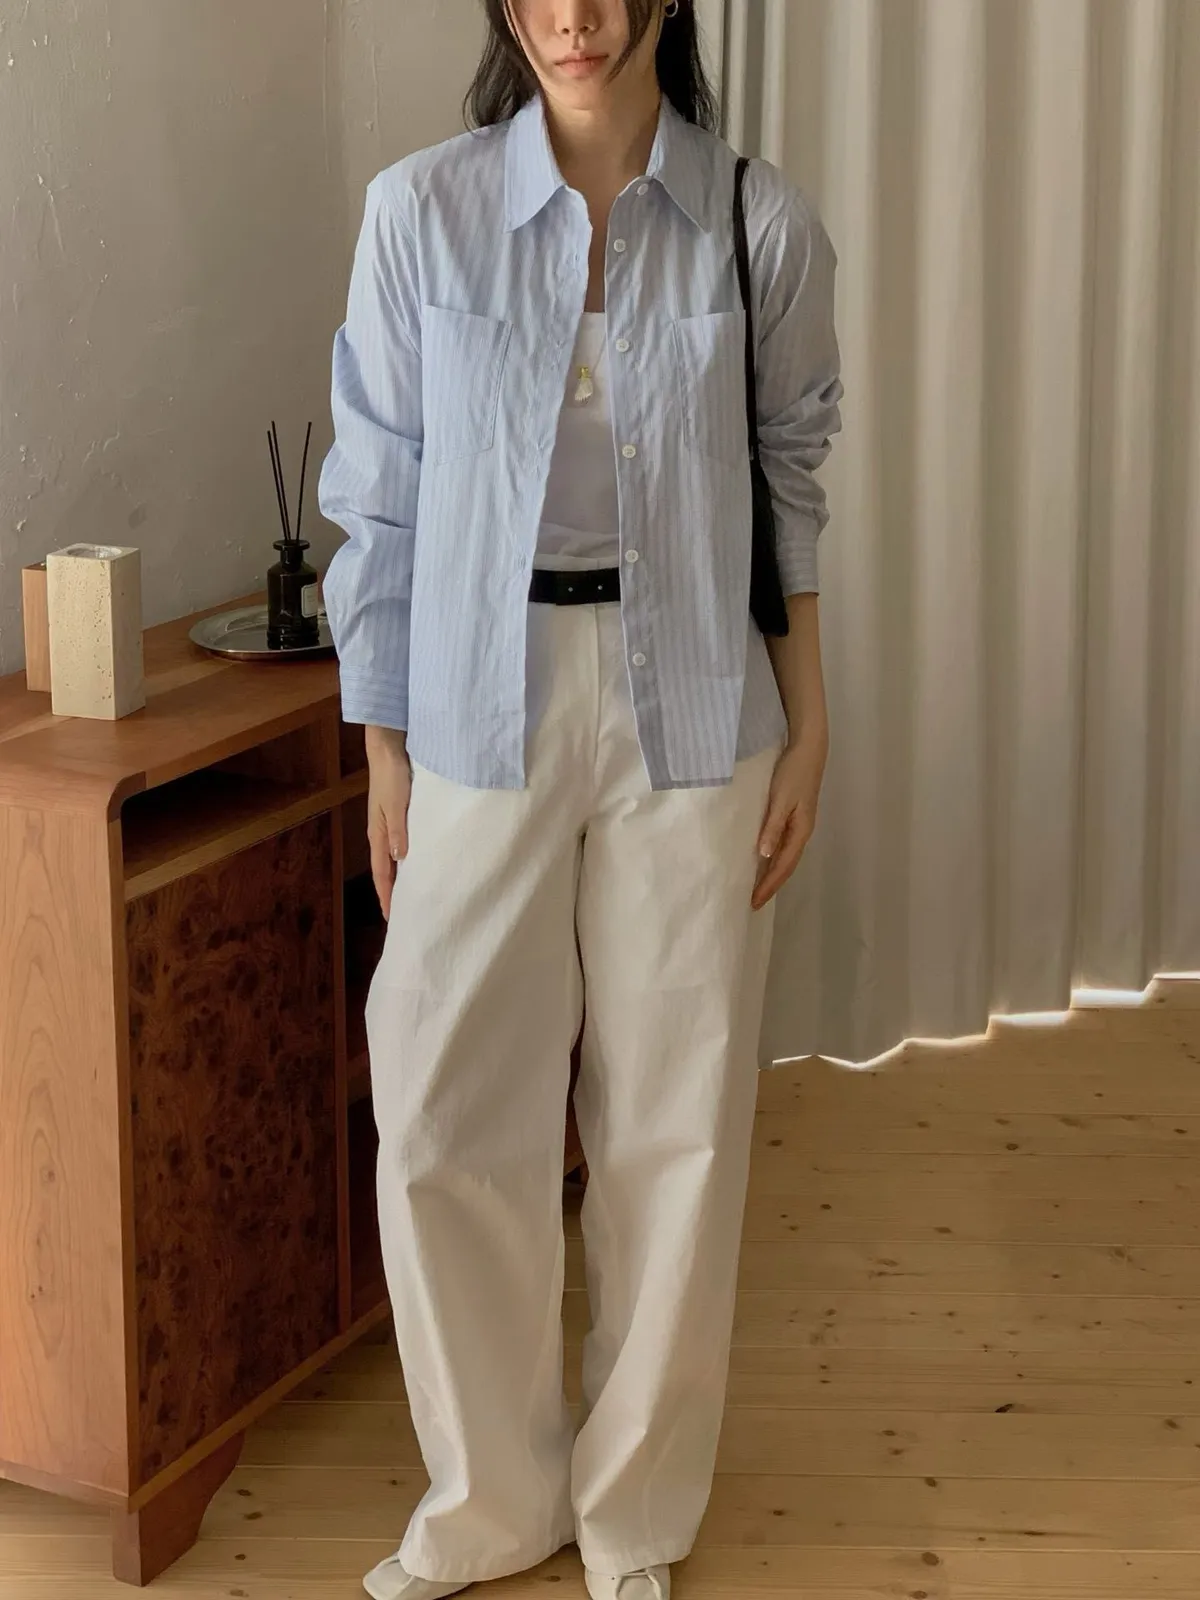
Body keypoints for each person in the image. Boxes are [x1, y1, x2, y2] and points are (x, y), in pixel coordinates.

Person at [318, 2, 841, 1597]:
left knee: (675, 1116)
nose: (576, 15)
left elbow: (790, 476)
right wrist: (380, 744)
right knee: (440, 1104)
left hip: (697, 698)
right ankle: (489, 1501)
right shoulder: (420, 213)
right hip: (479, 693)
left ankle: (632, 1515)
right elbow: (379, 491)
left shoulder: (757, 223)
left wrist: (811, 721)